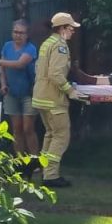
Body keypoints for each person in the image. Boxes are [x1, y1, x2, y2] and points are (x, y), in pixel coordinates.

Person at [32, 12, 86, 188]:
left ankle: (45, 170)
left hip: (41, 96)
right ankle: (51, 176)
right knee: (61, 136)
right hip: (53, 98)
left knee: (50, 134)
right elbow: (55, 74)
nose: (72, 32)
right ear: (62, 28)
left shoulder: (47, 43)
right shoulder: (60, 46)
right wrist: (69, 90)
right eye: (70, 28)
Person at [0, 19, 40, 179]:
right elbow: (3, 69)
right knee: (16, 129)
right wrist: (3, 84)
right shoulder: (7, 46)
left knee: (28, 128)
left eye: (21, 33)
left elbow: (19, 64)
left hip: (29, 92)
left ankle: (35, 161)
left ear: (27, 35)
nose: (18, 35)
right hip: (11, 93)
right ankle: (20, 161)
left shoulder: (30, 49)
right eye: (15, 32)